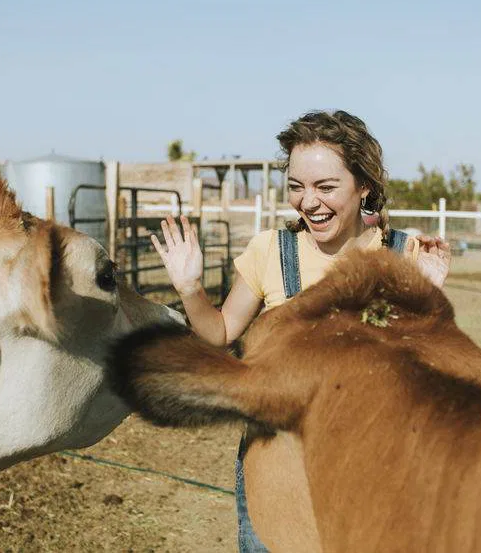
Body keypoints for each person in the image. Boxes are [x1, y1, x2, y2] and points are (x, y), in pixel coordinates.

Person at [151, 109, 451, 552]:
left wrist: (426, 294)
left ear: (364, 185)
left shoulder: (405, 253)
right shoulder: (270, 252)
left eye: (325, 187)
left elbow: (429, 376)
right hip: (277, 469)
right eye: (296, 186)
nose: (308, 202)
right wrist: (190, 287)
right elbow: (219, 334)